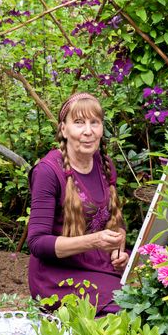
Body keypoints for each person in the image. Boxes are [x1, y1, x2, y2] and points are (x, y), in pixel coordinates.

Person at [27, 91, 129, 315]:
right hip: (58, 275)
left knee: (153, 293)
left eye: (95, 122)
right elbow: (36, 243)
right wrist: (95, 241)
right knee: (124, 310)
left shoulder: (104, 164)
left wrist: (118, 250)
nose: (88, 131)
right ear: (63, 129)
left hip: (98, 264)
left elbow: (112, 221)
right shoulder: (48, 172)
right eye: (79, 123)